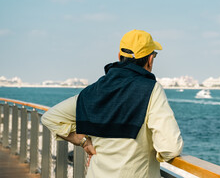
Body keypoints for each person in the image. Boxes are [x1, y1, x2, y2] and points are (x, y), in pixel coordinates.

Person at [41, 29, 183, 178]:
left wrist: (84, 141)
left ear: (119, 56)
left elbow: (50, 117)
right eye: (154, 55)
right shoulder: (151, 90)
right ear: (150, 59)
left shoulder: (95, 89)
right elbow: (170, 148)